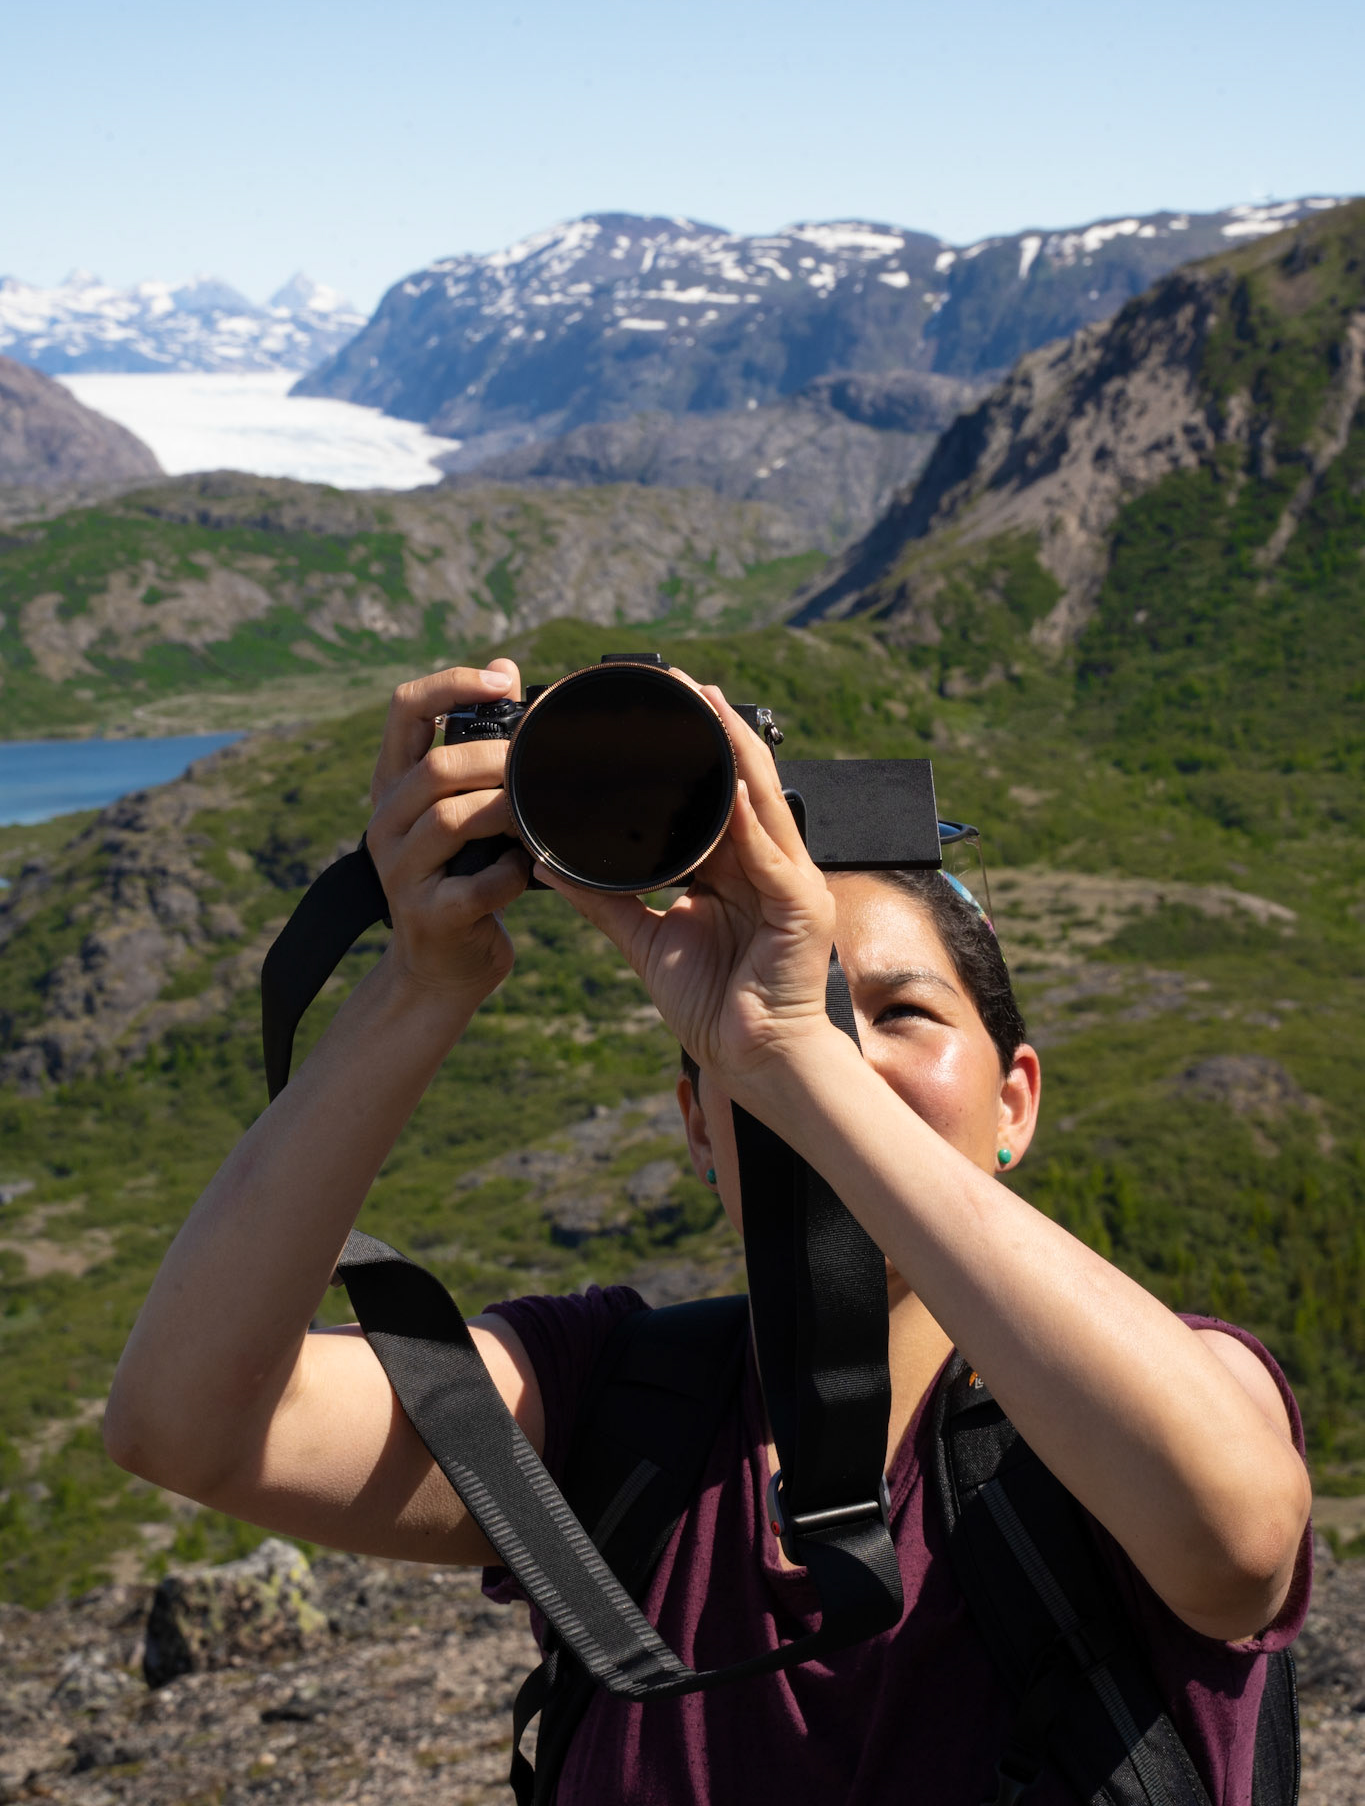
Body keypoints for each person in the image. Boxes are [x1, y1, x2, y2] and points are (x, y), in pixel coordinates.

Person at [105, 659, 1313, 1806]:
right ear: (697, 1124)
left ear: (1016, 1102)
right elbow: (186, 1420)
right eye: (782, 1033)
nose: (841, 1046)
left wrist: (791, 1050)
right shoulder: (616, 1415)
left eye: (899, 1009)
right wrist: (421, 979)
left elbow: (1236, 1535)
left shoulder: (1165, 1394)